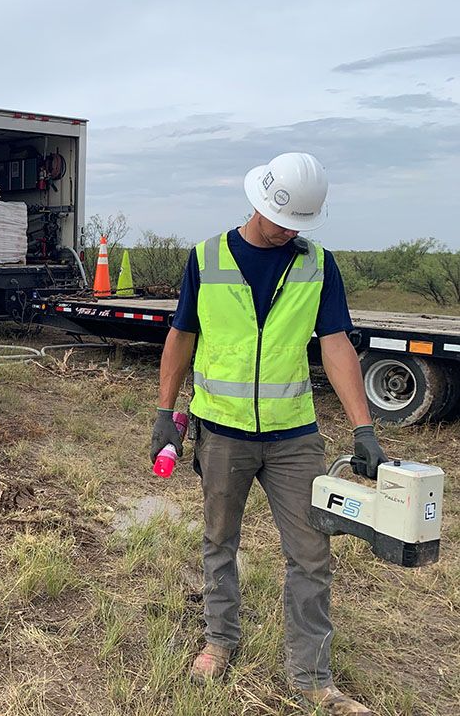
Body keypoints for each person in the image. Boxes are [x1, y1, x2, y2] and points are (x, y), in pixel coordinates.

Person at [151, 152, 385, 715]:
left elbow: (335, 344)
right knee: (219, 541)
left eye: (300, 223)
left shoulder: (318, 265)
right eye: (283, 220)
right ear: (259, 202)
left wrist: (364, 427)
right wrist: (165, 413)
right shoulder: (206, 258)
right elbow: (182, 336)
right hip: (222, 432)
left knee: (311, 554)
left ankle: (313, 677)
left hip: (293, 437)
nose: (289, 231)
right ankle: (219, 641)